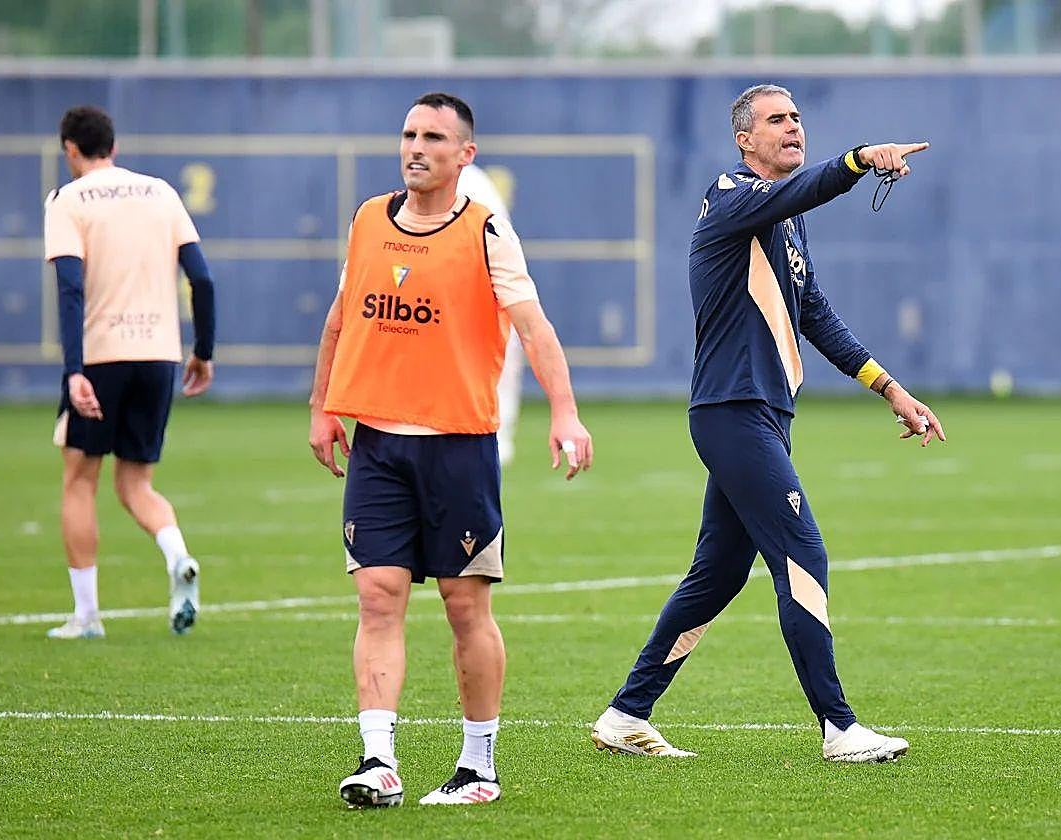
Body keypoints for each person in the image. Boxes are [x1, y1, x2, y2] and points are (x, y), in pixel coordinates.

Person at [591, 84, 945, 763]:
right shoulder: (732, 198)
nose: (792, 128)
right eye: (776, 120)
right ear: (745, 140)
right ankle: (839, 727)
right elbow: (808, 189)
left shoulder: (786, 217)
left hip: (763, 416)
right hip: (732, 413)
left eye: (797, 118)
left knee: (717, 576)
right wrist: (860, 159)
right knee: (804, 556)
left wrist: (891, 388)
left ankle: (625, 714)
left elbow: (816, 315)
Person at [308, 92, 592, 807]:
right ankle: (378, 761)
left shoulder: (487, 230)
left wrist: (565, 411)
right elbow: (342, 320)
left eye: (434, 137)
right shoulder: (368, 220)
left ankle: (478, 766)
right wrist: (323, 408)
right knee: (378, 598)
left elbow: (533, 327)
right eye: (408, 133)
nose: (416, 147)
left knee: (466, 608)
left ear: (464, 154)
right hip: (376, 443)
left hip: (459, 446)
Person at [42, 105, 216, 640]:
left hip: (100, 358)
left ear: (71, 148)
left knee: (79, 480)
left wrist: (75, 371)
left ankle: (87, 615)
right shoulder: (161, 192)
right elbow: (202, 280)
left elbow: (71, 290)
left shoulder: (67, 200)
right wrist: (203, 351)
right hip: (159, 355)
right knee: (137, 482)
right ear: (112, 146)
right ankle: (178, 557)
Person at [457, 163, 524, 466]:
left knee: (504, 360)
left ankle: (498, 433)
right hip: (456, 297)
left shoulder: (472, 183)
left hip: (488, 293)